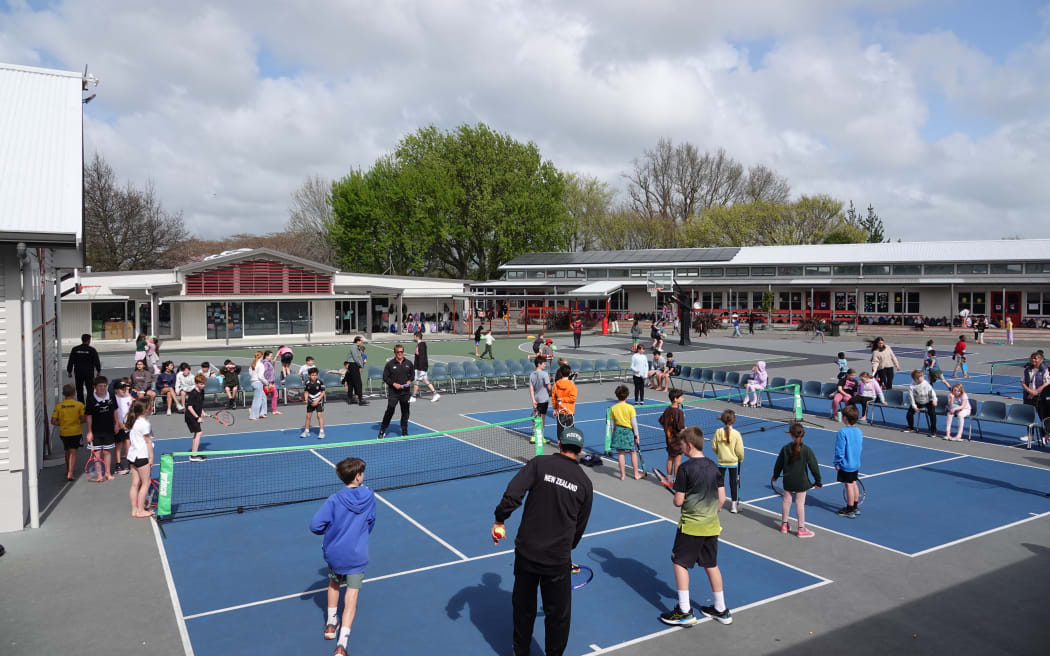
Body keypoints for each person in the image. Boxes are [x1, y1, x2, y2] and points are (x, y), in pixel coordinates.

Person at [491, 425, 593, 656]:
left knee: (523, 609)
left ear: (559, 443)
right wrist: (568, 548)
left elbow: (513, 494)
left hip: (527, 553)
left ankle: (521, 652)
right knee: (558, 616)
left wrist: (500, 519)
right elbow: (580, 525)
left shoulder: (539, 464)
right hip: (557, 559)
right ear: (579, 450)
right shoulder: (585, 483)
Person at [660, 426, 732, 627]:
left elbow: (678, 501)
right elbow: (722, 498)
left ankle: (684, 611)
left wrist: (675, 493)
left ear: (689, 446)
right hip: (711, 525)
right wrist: (712, 512)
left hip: (691, 526)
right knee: (711, 565)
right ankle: (721, 609)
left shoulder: (685, 469)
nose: (680, 447)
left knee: (680, 563)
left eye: (682, 444)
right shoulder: (713, 466)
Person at [310, 457, 376, 656]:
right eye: (362, 473)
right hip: (357, 555)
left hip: (336, 554)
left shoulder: (334, 499)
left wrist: (333, 532)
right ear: (358, 477)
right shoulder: (370, 496)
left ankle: (331, 624)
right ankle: (342, 646)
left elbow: (315, 526)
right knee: (352, 596)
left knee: (333, 584)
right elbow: (370, 522)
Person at [771, 422, 822, 538]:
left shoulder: (785, 448)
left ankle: (784, 524)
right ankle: (801, 528)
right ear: (802, 434)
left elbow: (778, 464)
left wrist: (775, 476)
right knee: (800, 503)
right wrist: (818, 481)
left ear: (790, 435)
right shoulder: (807, 450)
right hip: (801, 481)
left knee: (786, 501)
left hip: (788, 480)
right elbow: (814, 466)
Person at [124, 399, 155, 518]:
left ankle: (134, 510)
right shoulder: (144, 423)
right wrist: (151, 458)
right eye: (150, 406)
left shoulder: (134, 421)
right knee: (146, 483)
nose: (152, 407)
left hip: (132, 456)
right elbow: (148, 442)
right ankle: (141, 510)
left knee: (135, 483)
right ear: (145, 409)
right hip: (141, 457)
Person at [85, 376, 118, 481]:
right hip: (96, 430)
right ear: (95, 387)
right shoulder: (90, 399)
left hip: (108, 429)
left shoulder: (111, 396)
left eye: (104, 386)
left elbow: (115, 411)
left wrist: (116, 423)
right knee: (97, 452)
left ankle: (107, 473)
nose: (103, 388)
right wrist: (89, 431)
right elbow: (88, 416)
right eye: (100, 386)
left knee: (107, 451)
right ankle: (100, 474)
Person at [834, 405, 864, 518]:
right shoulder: (859, 431)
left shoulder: (842, 432)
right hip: (855, 463)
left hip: (846, 464)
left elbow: (839, 449)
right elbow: (859, 447)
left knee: (849, 485)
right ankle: (855, 507)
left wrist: (837, 462)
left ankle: (849, 509)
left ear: (845, 418)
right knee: (854, 483)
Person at [378, 344, 414, 439]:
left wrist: (409, 380)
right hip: (394, 392)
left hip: (405, 392)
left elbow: (412, 375)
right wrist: (394, 384)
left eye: (402, 351)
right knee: (390, 410)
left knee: (405, 412)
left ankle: (404, 432)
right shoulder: (390, 364)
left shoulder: (409, 363)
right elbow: (385, 378)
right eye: (398, 352)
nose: (400, 353)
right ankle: (382, 430)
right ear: (395, 353)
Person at [51, 383, 85, 481]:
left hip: (64, 432)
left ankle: (68, 469)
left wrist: (62, 424)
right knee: (73, 452)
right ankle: (70, 473)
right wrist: (77, 422)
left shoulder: (59, 406)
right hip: (76, 431)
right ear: (74, 393)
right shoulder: (79, 405)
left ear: (63, 393)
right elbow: (83, 419)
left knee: (67, 450)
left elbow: (53, 421)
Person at [712, 410, 744, 514]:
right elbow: (740, 450)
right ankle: (734, 506)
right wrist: (740, 458)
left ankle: (719, 504)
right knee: (733, 483)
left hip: (721, 461)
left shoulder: (718, 432)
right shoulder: (736, 434)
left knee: (719, 483)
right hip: (733, 463)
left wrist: (720, 453)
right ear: (733, 420)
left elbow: (714, 447)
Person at [609, 384, 643, 481]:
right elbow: (634, 423)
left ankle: (622, 475)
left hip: (618, 432)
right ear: (627, 395)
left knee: (621, 454)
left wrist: (613, 435)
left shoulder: (613, 408)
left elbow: (612, 425)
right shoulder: (630, 408)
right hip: (628, 432)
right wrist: (637, 435)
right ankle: (636, 474)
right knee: (633, 452)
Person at [66, 334, 101, 404]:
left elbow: (71, 361)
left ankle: (81, 404)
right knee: (90, 389)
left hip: (78, 372)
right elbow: (97, 361)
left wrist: (69, 371)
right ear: (88, 341)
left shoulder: (75, 349)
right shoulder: (92, 350)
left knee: (79, 389)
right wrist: (98, 371)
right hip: (89, 373)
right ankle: (89, 404)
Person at [659, 389, 685, 481]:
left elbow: (662, 422)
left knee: (670, 458)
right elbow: (681, 428)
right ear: (675, 399)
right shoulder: (679, 413)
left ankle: (669, 479)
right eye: (681, 397)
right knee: (677, 462)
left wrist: (668, 429)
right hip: (677, 440)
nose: (683, 398)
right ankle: (677, 481)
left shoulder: (667, 410)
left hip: (669, 439)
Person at [1021, 351, 1050, 429]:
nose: (1033, 360)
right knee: (1029, 416)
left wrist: (1035, 392)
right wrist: (1030, 392)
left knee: (1043, 416)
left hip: (1040, 397)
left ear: (1040, 359)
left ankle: (1046, 433)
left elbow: (1046, 383)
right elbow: (1023, 382)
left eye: (1035, 358)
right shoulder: (1027, 369)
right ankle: (1030, 435)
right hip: (1028, 396)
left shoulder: (1045, 370)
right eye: (1032, 358)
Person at [409, 331, 440, 403]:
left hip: (421, 368)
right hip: (421, 367)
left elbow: (422, 358)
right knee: (425, 380)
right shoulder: (420, 345)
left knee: (416, 381)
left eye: (414, 336)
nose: (413, 338)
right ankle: (435, 394)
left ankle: (413, 396)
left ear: (417, 337)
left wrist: (420, 368)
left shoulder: (421, 345)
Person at [905, 369, 937, 436]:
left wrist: (934, 400)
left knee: (932, 413)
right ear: (916, 379)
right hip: (918, 401)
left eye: (923, 376)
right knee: (909, 414)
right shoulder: (912, 386)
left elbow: (932, 392)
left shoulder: (926, 384)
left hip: (927, 401)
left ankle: (933, 430)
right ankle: (910, 427)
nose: (923, 378)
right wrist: (914, 406)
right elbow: (911, 398)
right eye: (921, 377)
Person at [551, 364, 577, 442]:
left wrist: (555, 408)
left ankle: (560, 442)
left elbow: (554, 398)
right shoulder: (572, 385)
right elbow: (572, 398)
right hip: (569, 410)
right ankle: (571, 443)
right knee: (571, 429)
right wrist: (563, 400)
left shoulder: (556, 384)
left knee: (560, 428)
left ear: (561, 374)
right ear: (569, 374)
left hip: (560, 410)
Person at [112, 381, 133, 475]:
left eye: (125, 387)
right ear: (116, 390)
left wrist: (128, 423)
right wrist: (119, 424)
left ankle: (130, 463)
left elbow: (131, 411)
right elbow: (114, 413)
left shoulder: (128, 397)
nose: (124, 389)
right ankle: (118, 464)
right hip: (118, 425)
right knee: (119, 445)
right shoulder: (114, 399)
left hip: (127, 425)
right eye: (122, 388)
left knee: (128, 443)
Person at [185, 374, 208, 461]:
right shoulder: (192, 393)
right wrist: (197, 417)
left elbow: (199, 404)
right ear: (196, 383)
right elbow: (189, 407)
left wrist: (202, 412)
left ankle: (194, 453)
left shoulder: (202, 392)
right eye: (201, 384)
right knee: (199, 433)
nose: (203, 385)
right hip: (190, 416)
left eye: (204, 384)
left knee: (197, 433)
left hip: (195, 415)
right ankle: (193, 456)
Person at [301, 368, 327, 439]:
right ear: (309, 375)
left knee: (319, 415)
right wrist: (306, 399)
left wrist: (317, 401)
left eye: (315, 375)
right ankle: (306, 431)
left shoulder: (320, 382)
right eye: (312, 375)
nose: (314, 376)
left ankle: (321, 432)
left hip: (319, 401)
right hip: (310, 401)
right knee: (308, 416)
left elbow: (323, 392)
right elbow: (306, 392)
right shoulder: (307, 383)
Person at [346, 337, 368, 406]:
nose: (362, 342)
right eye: (361, 341)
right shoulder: (354, 347)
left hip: (353, 365)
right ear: (357, 341)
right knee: (358, 383)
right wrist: (360, 365)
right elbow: (356, 358)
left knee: (351, 382)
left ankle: (350, 399)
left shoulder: (357, 347)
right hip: (354, 366)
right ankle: (360, 400)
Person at [248, 351, 268, 421]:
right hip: (258, 383)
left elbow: (250, 374)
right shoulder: (260, 365)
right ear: (261, 356)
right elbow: (260, 376)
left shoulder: (253, 364)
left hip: (253, 383)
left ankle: (262, 413)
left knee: (263, 398)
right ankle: (253, 415)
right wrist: (266, 383)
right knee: (257, 400)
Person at [263, 350, 281, 415]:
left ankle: (274, 410)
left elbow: (272, 369)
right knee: (264, 396)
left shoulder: (269, 362)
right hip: (268, 383)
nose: (271, 357)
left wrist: (275, 359)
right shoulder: (265, 363)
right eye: (270, 356)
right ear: (266, 356)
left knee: (275, 395)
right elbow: (266, 374)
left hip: (271, 382)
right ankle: (258, 410)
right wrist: (269, 383)